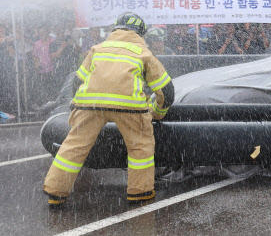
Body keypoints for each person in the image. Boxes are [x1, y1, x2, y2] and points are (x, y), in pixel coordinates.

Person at [43, 12, 174, 206]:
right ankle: (139, 192)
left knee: (74, 145)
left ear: (115, 28)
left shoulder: (98, 48)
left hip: (90, 103)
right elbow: (166, 90)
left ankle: (56, 190)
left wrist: (77, 105)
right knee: (140, 146)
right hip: (130, 106)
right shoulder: (144, 53)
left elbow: (77, 80)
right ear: (141, 33)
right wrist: (158, 113)